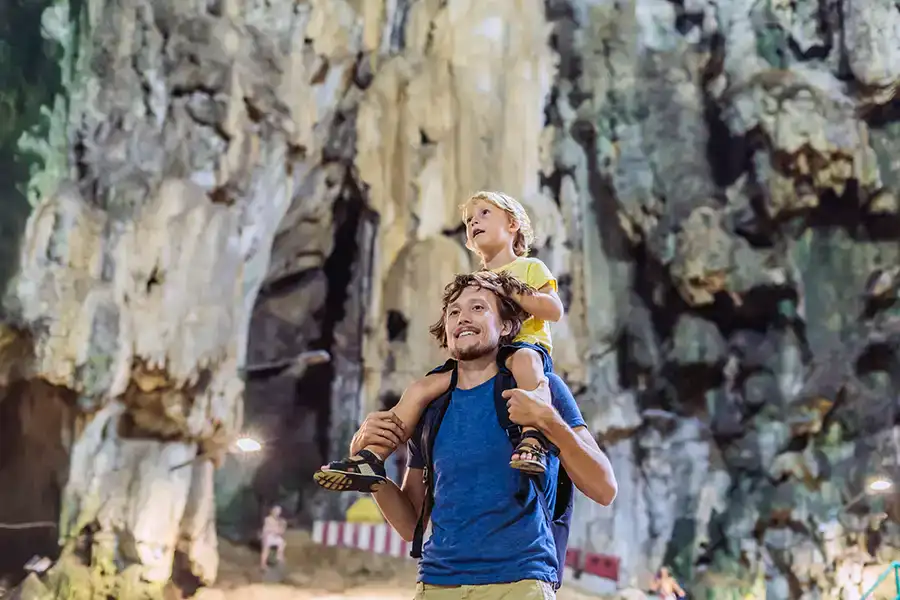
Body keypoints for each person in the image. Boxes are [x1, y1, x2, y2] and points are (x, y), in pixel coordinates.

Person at [340, 271, 618, 599]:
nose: (462, 318)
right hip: (437, 583)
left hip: (520, 582)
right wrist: (373, 476)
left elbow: (604, 488)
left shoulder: (540, 387)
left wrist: (548, 421)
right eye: (454, 312)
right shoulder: (431, 408)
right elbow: (408, 523)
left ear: (506, 326)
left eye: (478, 308)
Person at [314, 191, 564, 492]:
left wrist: (512, 290)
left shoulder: (530, 267)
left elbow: (553, 310)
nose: (474, 222)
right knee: (420, 389)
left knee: (526, 360)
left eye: (484, 213)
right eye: (470, 220)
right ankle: (373, 455)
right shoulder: (474, 280)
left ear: (512, 224)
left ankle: (533, 438)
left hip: (523, 348)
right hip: (482, 357)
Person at [259, 505, 286, 570]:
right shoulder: (267, 519)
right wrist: (274, 530)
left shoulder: (280, 521)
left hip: (275, 537)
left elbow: (281, 531)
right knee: (266, 549)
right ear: (272, 512)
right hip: (267, 536)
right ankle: (263, 564)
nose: (277, 513)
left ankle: (279, 557)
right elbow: (266, 530)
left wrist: (281, 527)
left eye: (278, 512)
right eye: (276, 511)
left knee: (282, 543)